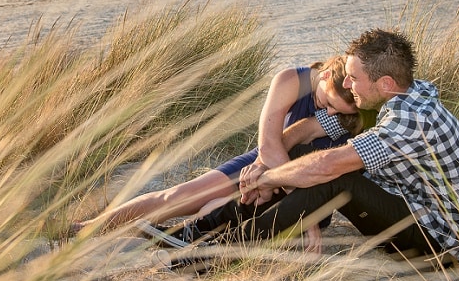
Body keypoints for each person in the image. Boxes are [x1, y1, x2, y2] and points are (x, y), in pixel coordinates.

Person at [148, 28, 459, 264]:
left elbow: (328, 166)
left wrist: (267, 180)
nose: (347, 85)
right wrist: (266, 165)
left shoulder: (408, 122)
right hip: (408, 208)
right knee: (305, 158)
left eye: (354, 78)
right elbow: (305, 132)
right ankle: (201, 230)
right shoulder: (399, 96)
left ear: (385, 83)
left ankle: (218, 249)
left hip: (438, 242)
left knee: (336, 176)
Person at [74, 55, 366, 240]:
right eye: (326, 103)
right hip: (264, 162)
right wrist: (281, 187)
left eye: (336, 110)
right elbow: (268, 143)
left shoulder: (357, 103)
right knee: (175, 196)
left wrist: (301, 208)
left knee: (217, 211)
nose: (329, 113)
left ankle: (181, 238)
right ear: (326, 75)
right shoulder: (292, 79)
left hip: (309, 187)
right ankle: (91, 228)